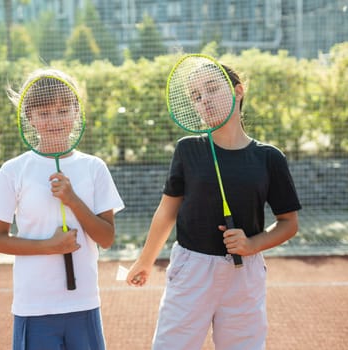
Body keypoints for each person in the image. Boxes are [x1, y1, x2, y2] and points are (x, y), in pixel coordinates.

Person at [126, 63, 301, 350]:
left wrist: (252, 243)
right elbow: (166, 212)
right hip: (191, 268)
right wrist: (145, 261)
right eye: (195, 96)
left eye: (212, 89)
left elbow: (289, 223)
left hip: (245, 273)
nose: (203, 99)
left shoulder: (269, 158)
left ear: (238, 91)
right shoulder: (188, 149)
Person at [0, 68, 124, 350]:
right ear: (30, 117)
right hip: (34, 306)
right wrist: (49, 246)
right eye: (44, 112)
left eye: (63, 110)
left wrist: (73, 199)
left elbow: (107, 239)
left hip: (84, 303)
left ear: (76, 111)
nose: (54, 120)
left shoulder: (94, 167)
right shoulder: (13, 170)